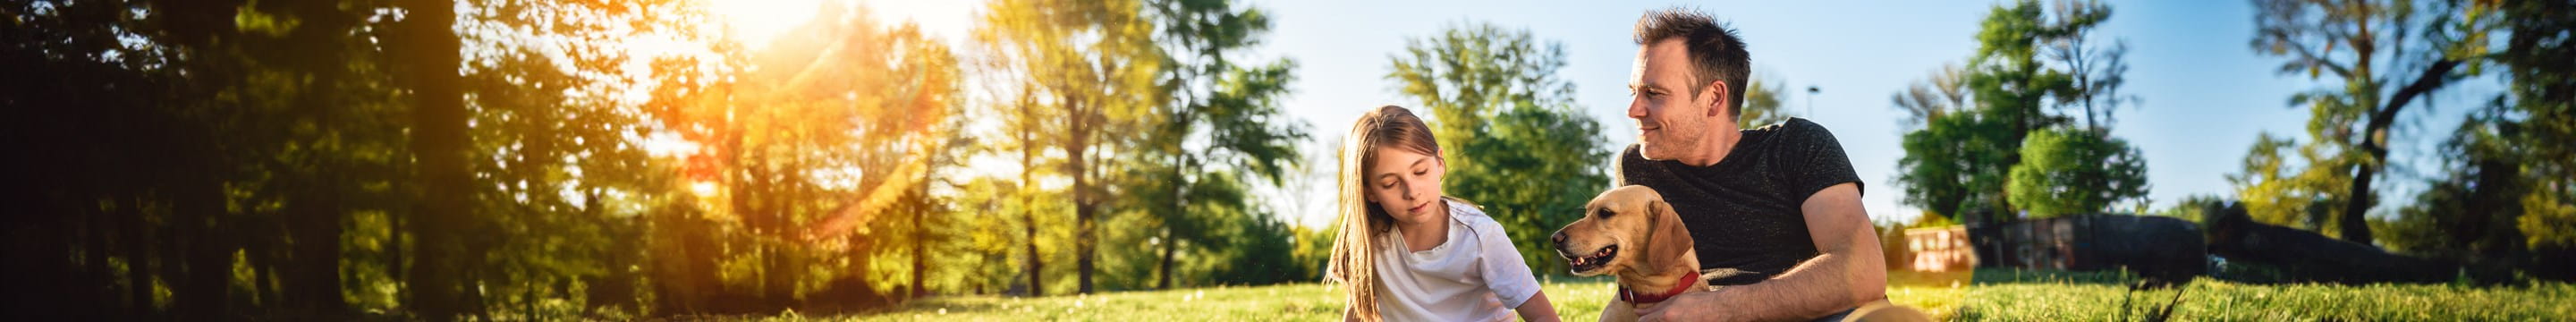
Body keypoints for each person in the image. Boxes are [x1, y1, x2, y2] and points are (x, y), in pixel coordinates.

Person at [1616, 7, 1891, 322]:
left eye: (1653, 93)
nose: (1634, 109)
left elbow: (1862, 270)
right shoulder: (1639, 169)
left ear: (1714, 98)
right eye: (1633, 91)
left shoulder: (1797, 145)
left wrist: (1718, 308)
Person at [1326, 106, 1562, 322]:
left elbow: (1543, 317)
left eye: (1420, 171)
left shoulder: (1480, 235)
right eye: (1390, 183)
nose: (1412, 192)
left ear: (1439, 162)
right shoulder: (1367, 240)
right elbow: (1357, 311)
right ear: (1369, 191)